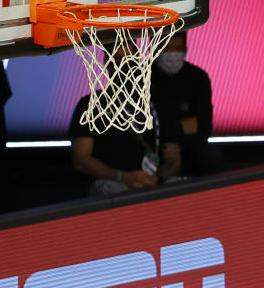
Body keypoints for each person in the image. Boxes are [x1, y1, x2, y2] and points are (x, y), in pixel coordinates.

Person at [70, 48, 183, 197]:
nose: (125, 63)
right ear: (106, 62)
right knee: (110, 190)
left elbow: (173, 157)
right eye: (117, 58)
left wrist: (156, 179)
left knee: (184, 186)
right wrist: (123, 177)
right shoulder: (90, 104)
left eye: (130, 57)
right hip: (113, 181)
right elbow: (81, 160)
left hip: (155, 181)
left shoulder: (158, 102)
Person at [150, 33, 221, 177]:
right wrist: (176, 131)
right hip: (151, 146)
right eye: (167, 48)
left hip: (187, 145)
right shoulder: (141, 76)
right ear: (154, 48)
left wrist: (174, 142)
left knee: (211, 156)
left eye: (177, 48)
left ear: (185, 48)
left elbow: (202, 124)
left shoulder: (198, 77)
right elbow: (141, 126)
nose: (172, 54)